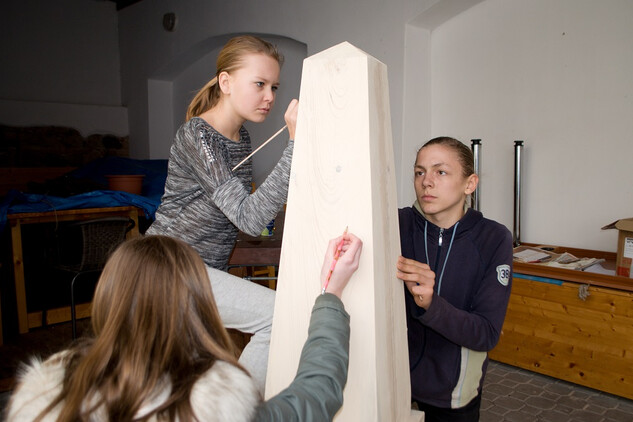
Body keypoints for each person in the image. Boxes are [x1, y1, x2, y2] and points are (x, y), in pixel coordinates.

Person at [6, 233, 363, 421]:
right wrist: (329, 294)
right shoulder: (218, 412)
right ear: (199, 308)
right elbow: (316, 393)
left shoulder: (42, 403)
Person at [145, 35, 298, 392]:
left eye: (274, 86)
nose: (270, 97)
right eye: (259, 84)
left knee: (176, 385)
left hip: (201, 271)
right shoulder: (197, 135)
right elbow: (248, 218)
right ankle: (240, 411)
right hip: (167, 267)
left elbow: (245, 215)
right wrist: (295, 145)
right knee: (278, 316)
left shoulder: (242, 137)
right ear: (225, 82)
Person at [396, 137, 513, 421]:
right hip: (395, 385)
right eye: (419, 172)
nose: (427, 182)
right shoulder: (395, 225)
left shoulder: (493, 239)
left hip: (453, 397)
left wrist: (432, 305)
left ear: (469, 184)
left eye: (441, 172)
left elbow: (485, 332)